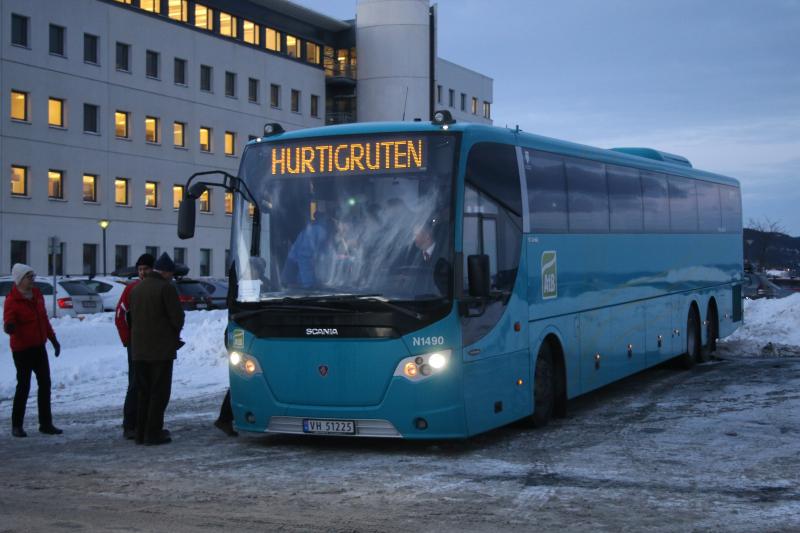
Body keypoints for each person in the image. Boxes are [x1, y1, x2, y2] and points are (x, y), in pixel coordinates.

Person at [129, 253, 184, 445]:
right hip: (160, 351)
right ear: (166, 272)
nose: (172, 277)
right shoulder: (166, 289)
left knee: (143, 392)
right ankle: (154, 432)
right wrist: (174, 335)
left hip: (139, 350)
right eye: (171, 273)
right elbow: (177, 318)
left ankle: (140, 432)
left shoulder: (136, 289)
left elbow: (131, 318)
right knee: (159, 392)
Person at [2, 263, 62, 438]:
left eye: (33, 276)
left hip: (39, 347)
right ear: (20, 279)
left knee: (45, 384)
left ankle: (45, 423)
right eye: (29, 277)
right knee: (24, 385)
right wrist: (10, 327)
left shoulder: (36, 295)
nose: (32, 280)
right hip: (22, 349)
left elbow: (43, 319)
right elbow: (8, 319)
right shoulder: (12, 299)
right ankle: (17, 425)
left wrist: (53, 340)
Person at [114, 253, 154, 440]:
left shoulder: (157, 288)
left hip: (152, 344)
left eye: (146, 269)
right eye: (140, 270)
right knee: (135, 384)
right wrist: (127, 340)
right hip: (136, 344)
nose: (143, 273)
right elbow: (120, 316)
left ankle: (145, 422)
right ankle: (129, 424)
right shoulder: (131, 289)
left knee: (151, 385)